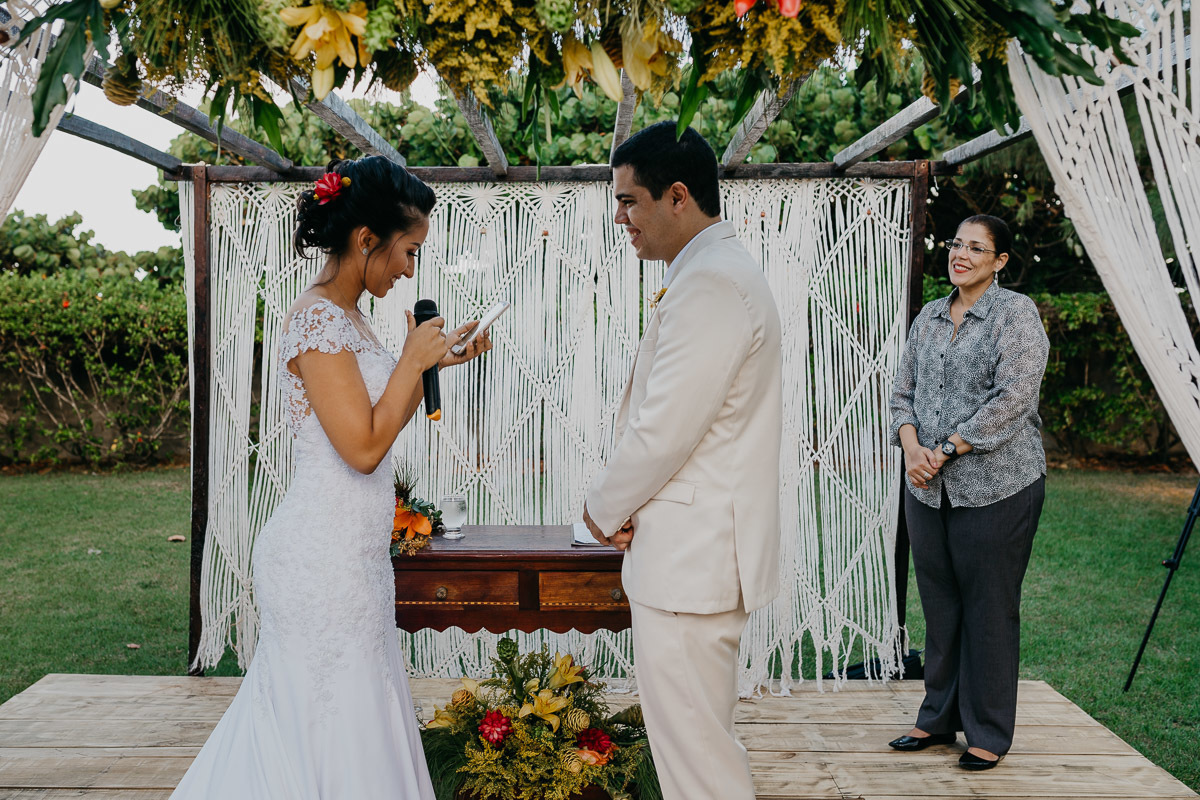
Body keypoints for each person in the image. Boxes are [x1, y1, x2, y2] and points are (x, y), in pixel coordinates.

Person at [170, 156, 491, 799]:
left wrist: (435, 363)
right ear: (366, 239)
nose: (410, 270)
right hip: (319, 563)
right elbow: (363, 448)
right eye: (408, 251)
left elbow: (376, 418)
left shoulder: (352, 317)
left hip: (354, 560)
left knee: (355, 726)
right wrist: (410, 363)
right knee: (320, 728)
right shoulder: (317, 320)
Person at [582, 121, 783, 800]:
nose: (620, 218)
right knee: (697, 754)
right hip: (693, 556)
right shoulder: (708, 272)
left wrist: (602, 509)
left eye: (628, 201)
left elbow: (665, 430)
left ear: (676, 196)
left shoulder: (712, 284)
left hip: (691, 560)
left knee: (698, 765)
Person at [887, 214, 1049, 771]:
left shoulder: (1016, 315)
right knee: (940, 606)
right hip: (926, 487)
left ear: (999, 261)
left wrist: (948, 448)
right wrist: (912, 449)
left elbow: (1014, 397)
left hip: (998, 486)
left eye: (977, 248)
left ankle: (988, 732)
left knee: (989, 608)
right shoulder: (930, 316)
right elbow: (902, 393)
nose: (961, 254)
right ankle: (937, 718)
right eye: (957, 244)